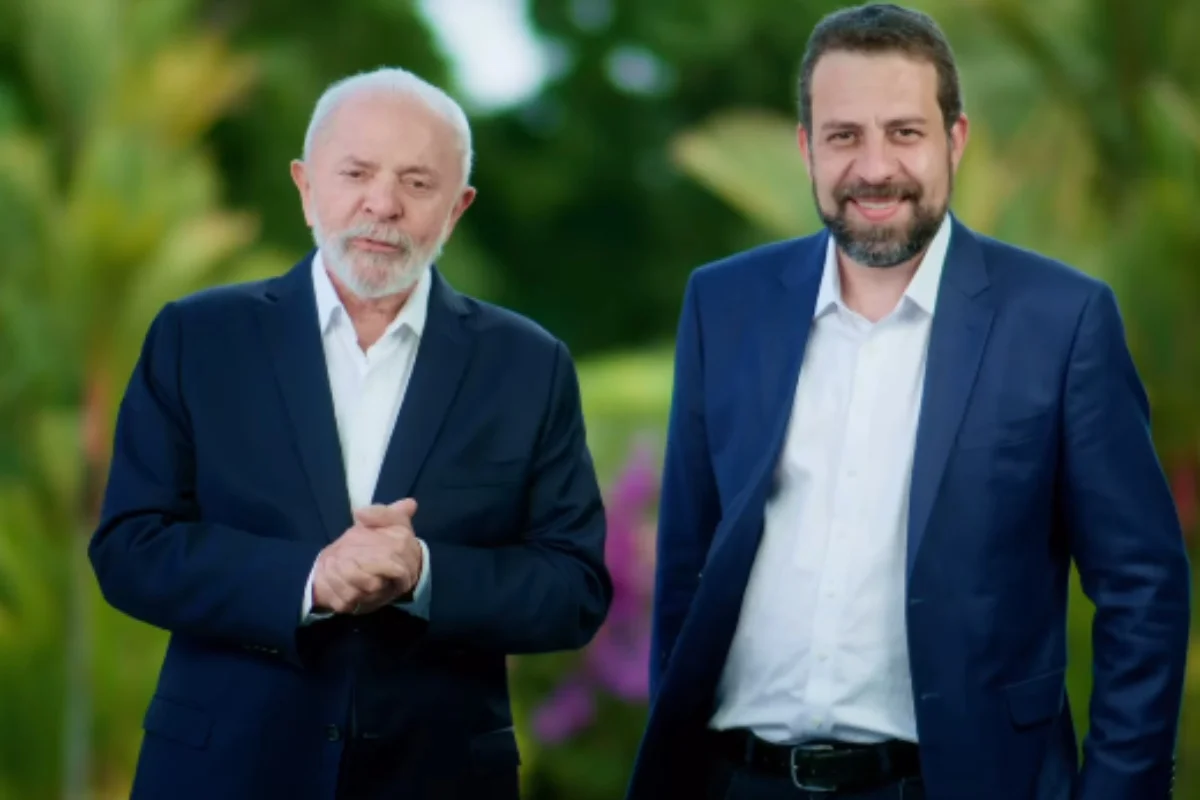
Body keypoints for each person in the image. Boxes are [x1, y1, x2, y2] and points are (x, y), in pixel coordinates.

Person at [628, 5, 1190, 800]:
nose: (874, 167)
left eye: (904, 132)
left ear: (955, 140)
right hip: (739, 780)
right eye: (844, 135)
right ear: (807, 148)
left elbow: (1142, 588)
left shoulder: (1061, 321)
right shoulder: (723, 305)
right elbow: (688, 570)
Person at [89, 67, 612, 800]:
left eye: (417, 182)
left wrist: (423, 573)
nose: (383, 204)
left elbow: (573, 587)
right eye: (356, 173)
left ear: (456, 208)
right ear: (306, 187)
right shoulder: (197, 338)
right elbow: (131, 547)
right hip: (222, 771)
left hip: (438, 780)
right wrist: (309, 579)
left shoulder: (529, 365)